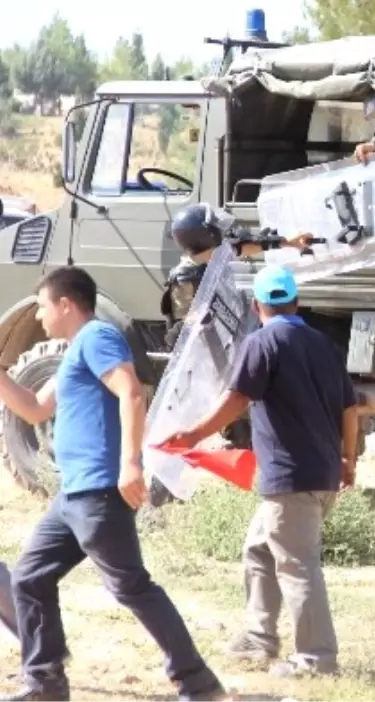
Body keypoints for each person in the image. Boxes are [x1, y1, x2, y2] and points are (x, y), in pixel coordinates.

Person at [0, 267, 224, 702]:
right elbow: (33, 409)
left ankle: (198, 684)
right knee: (28, 579)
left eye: (44, 307)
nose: (41, 317)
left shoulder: (97, 338)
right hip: (72, 497)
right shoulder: (72, 353)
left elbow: (131, 393)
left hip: (100, 490)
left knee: (131, 587)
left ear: (66, 304)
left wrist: (130, 465)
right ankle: (45, 684)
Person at [164, 265, 358, 679]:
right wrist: (349, 459)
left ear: (257, 305)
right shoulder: (325, 346)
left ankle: (317, 659)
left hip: (290, 479)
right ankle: (259, 638)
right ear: (296, 302)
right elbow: (350, 408)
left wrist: (196, 433)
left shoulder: (261, 342)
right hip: (320, 476)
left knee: (297, 565)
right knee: (259, 548)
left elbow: (238, 398)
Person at [163, 203, 312, 350]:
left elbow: (240, 248)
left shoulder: (214, 256)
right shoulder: (184, 279)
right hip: (209, 356)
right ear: (207, 236)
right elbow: (184, 331)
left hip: (233, 340)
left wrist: (288, 242)